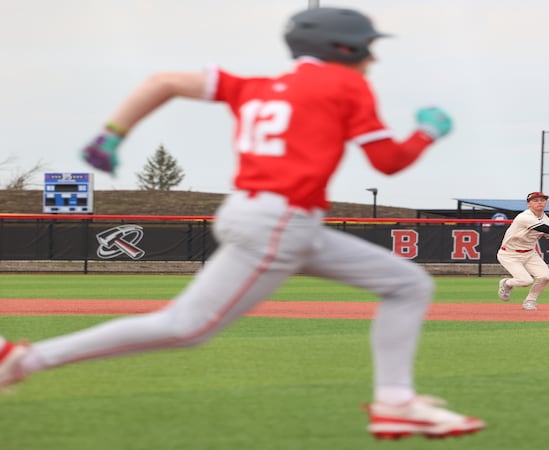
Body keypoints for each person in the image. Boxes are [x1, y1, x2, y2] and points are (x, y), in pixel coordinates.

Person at [0, 7, 484, 440]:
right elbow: (388, 162)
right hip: (280, 221)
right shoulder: (345, 83)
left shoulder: (253, 87)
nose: (371, 59)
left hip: (268, 216)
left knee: (407, 283)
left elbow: (162, 82)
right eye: (367, 48)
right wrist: (426, 134)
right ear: (343, 47)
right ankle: (22, 361)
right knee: (186, 328)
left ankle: (395, 403)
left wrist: (113, 133)